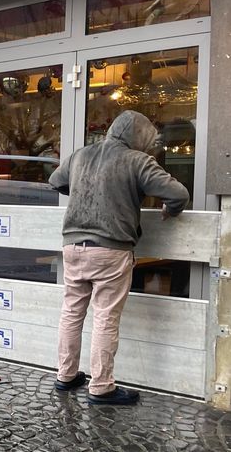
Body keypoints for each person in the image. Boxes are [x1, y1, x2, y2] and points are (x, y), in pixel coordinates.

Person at [48, 110, 189, 405]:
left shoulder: (80, 155)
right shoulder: (137, 160)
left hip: (73, 246)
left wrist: (81, 187)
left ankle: (66, 376)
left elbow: (55, 181)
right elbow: (178, 194)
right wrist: (169, 211)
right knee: (105, 318)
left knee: (71, 313)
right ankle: (101, 387)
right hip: (110, 250)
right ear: (139, 137)